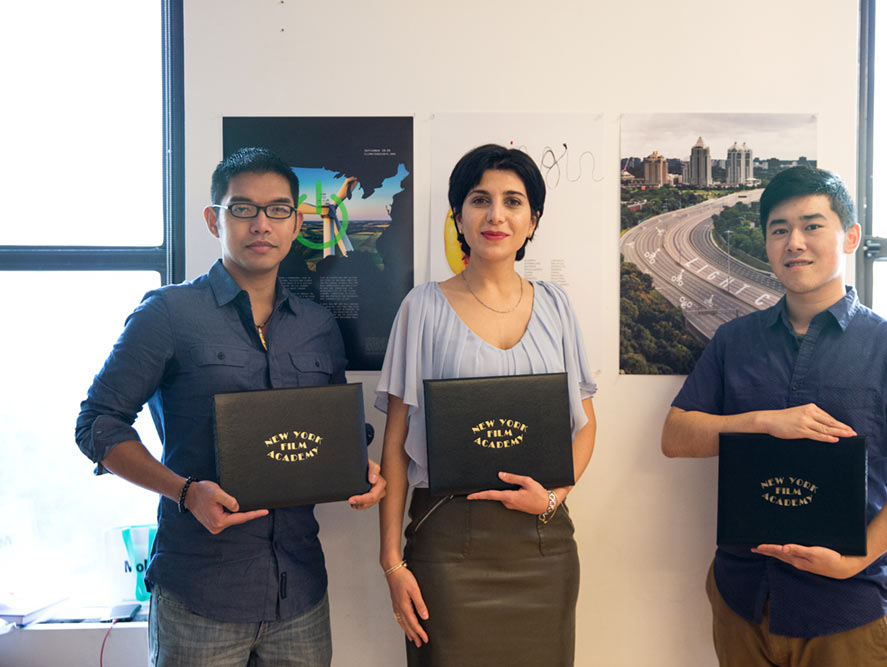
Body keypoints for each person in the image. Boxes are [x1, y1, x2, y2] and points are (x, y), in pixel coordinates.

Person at [76, 147, 386, 666]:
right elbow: (97, 423)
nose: (260, 224)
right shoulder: (168, 315)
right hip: (200, 593)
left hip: (300, 592)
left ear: (296, 223)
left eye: (277, 209)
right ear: (213, 219)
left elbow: (332, 431)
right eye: (242, 208)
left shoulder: (317, 325)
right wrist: (186, 492)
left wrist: (362, 468)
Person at [661, 166, 887, 667]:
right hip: (744, 598)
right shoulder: (735, 341)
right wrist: (763, 421)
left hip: (848, 607)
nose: (794, 242)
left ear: (850, 237)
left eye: (812, 225)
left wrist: (854, 562)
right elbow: (676, 436)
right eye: (779, 229)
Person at [376, 144, 597, 666]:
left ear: (533, 220)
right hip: (446, 542)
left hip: (543, 543)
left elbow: (584, 426)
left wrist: (552, 499)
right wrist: (390, 562)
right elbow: (395, 447)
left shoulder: (557, 304)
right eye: (480, 199)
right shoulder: (422, 307)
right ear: (458, 215)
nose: (496, 215)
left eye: (513, 201)